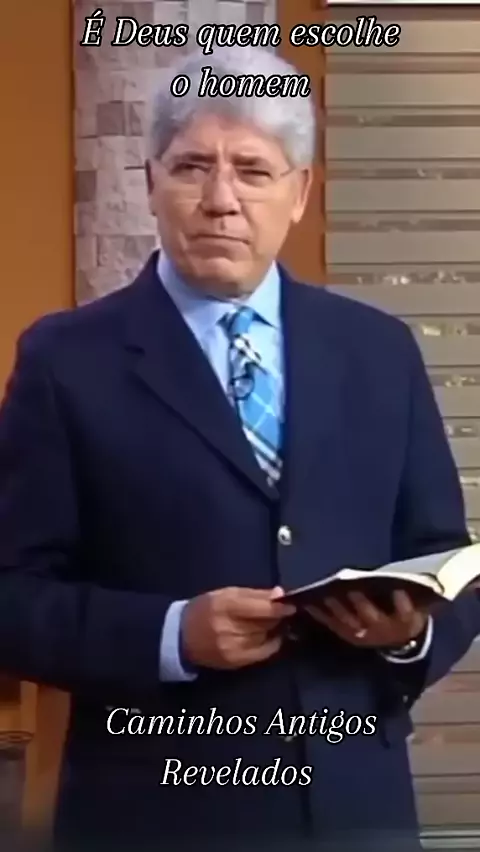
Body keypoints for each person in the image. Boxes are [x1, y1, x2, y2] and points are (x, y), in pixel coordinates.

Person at [0, 44, 479, 852]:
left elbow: (445, 558)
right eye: (192, 167)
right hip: (153, 816)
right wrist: (172, 634)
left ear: (300, 194)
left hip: (355, 811)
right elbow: (12, 596)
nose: (221, 200)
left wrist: (406, 636)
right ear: (149, 182)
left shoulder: (379, 350)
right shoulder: (65, 360)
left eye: (253, 171)